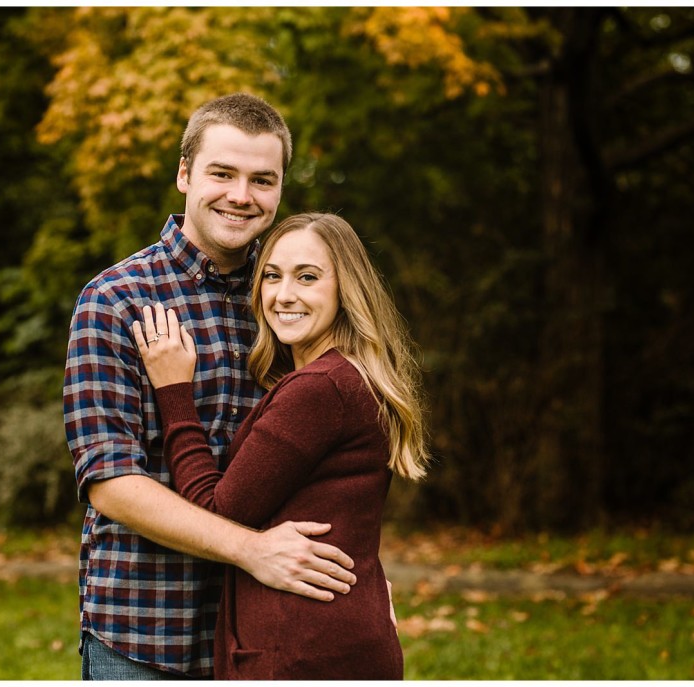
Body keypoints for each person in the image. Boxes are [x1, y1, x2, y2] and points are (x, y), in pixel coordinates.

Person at [63, 95, 358, 680]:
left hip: (271, 632)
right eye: (222, 173)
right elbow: (111, 483)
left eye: (262, 180)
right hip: (145, 629)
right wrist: (251, 550)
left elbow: (336, 462)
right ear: (183, 175)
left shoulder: (287, 300)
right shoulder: (116, 300)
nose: (241, 196)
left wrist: (367, 586)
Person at [134, 212, 429, 679]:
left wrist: (174, 393)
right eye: (272, 276)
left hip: (302, 649)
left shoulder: (319, 388)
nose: (283, 294)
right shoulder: (348, 377)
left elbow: (219, 508)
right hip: (332, 633)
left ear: (345, 289)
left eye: (307, 277)